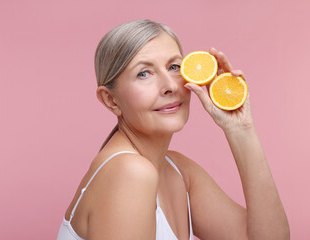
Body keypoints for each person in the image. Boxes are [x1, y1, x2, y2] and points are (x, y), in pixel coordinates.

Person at [57, 19, 290, 240]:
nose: (169, 86)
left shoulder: (179, 172)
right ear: (111, 100)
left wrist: (242, 130)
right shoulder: (129, 172)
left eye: (174, 66)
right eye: (144, 73)